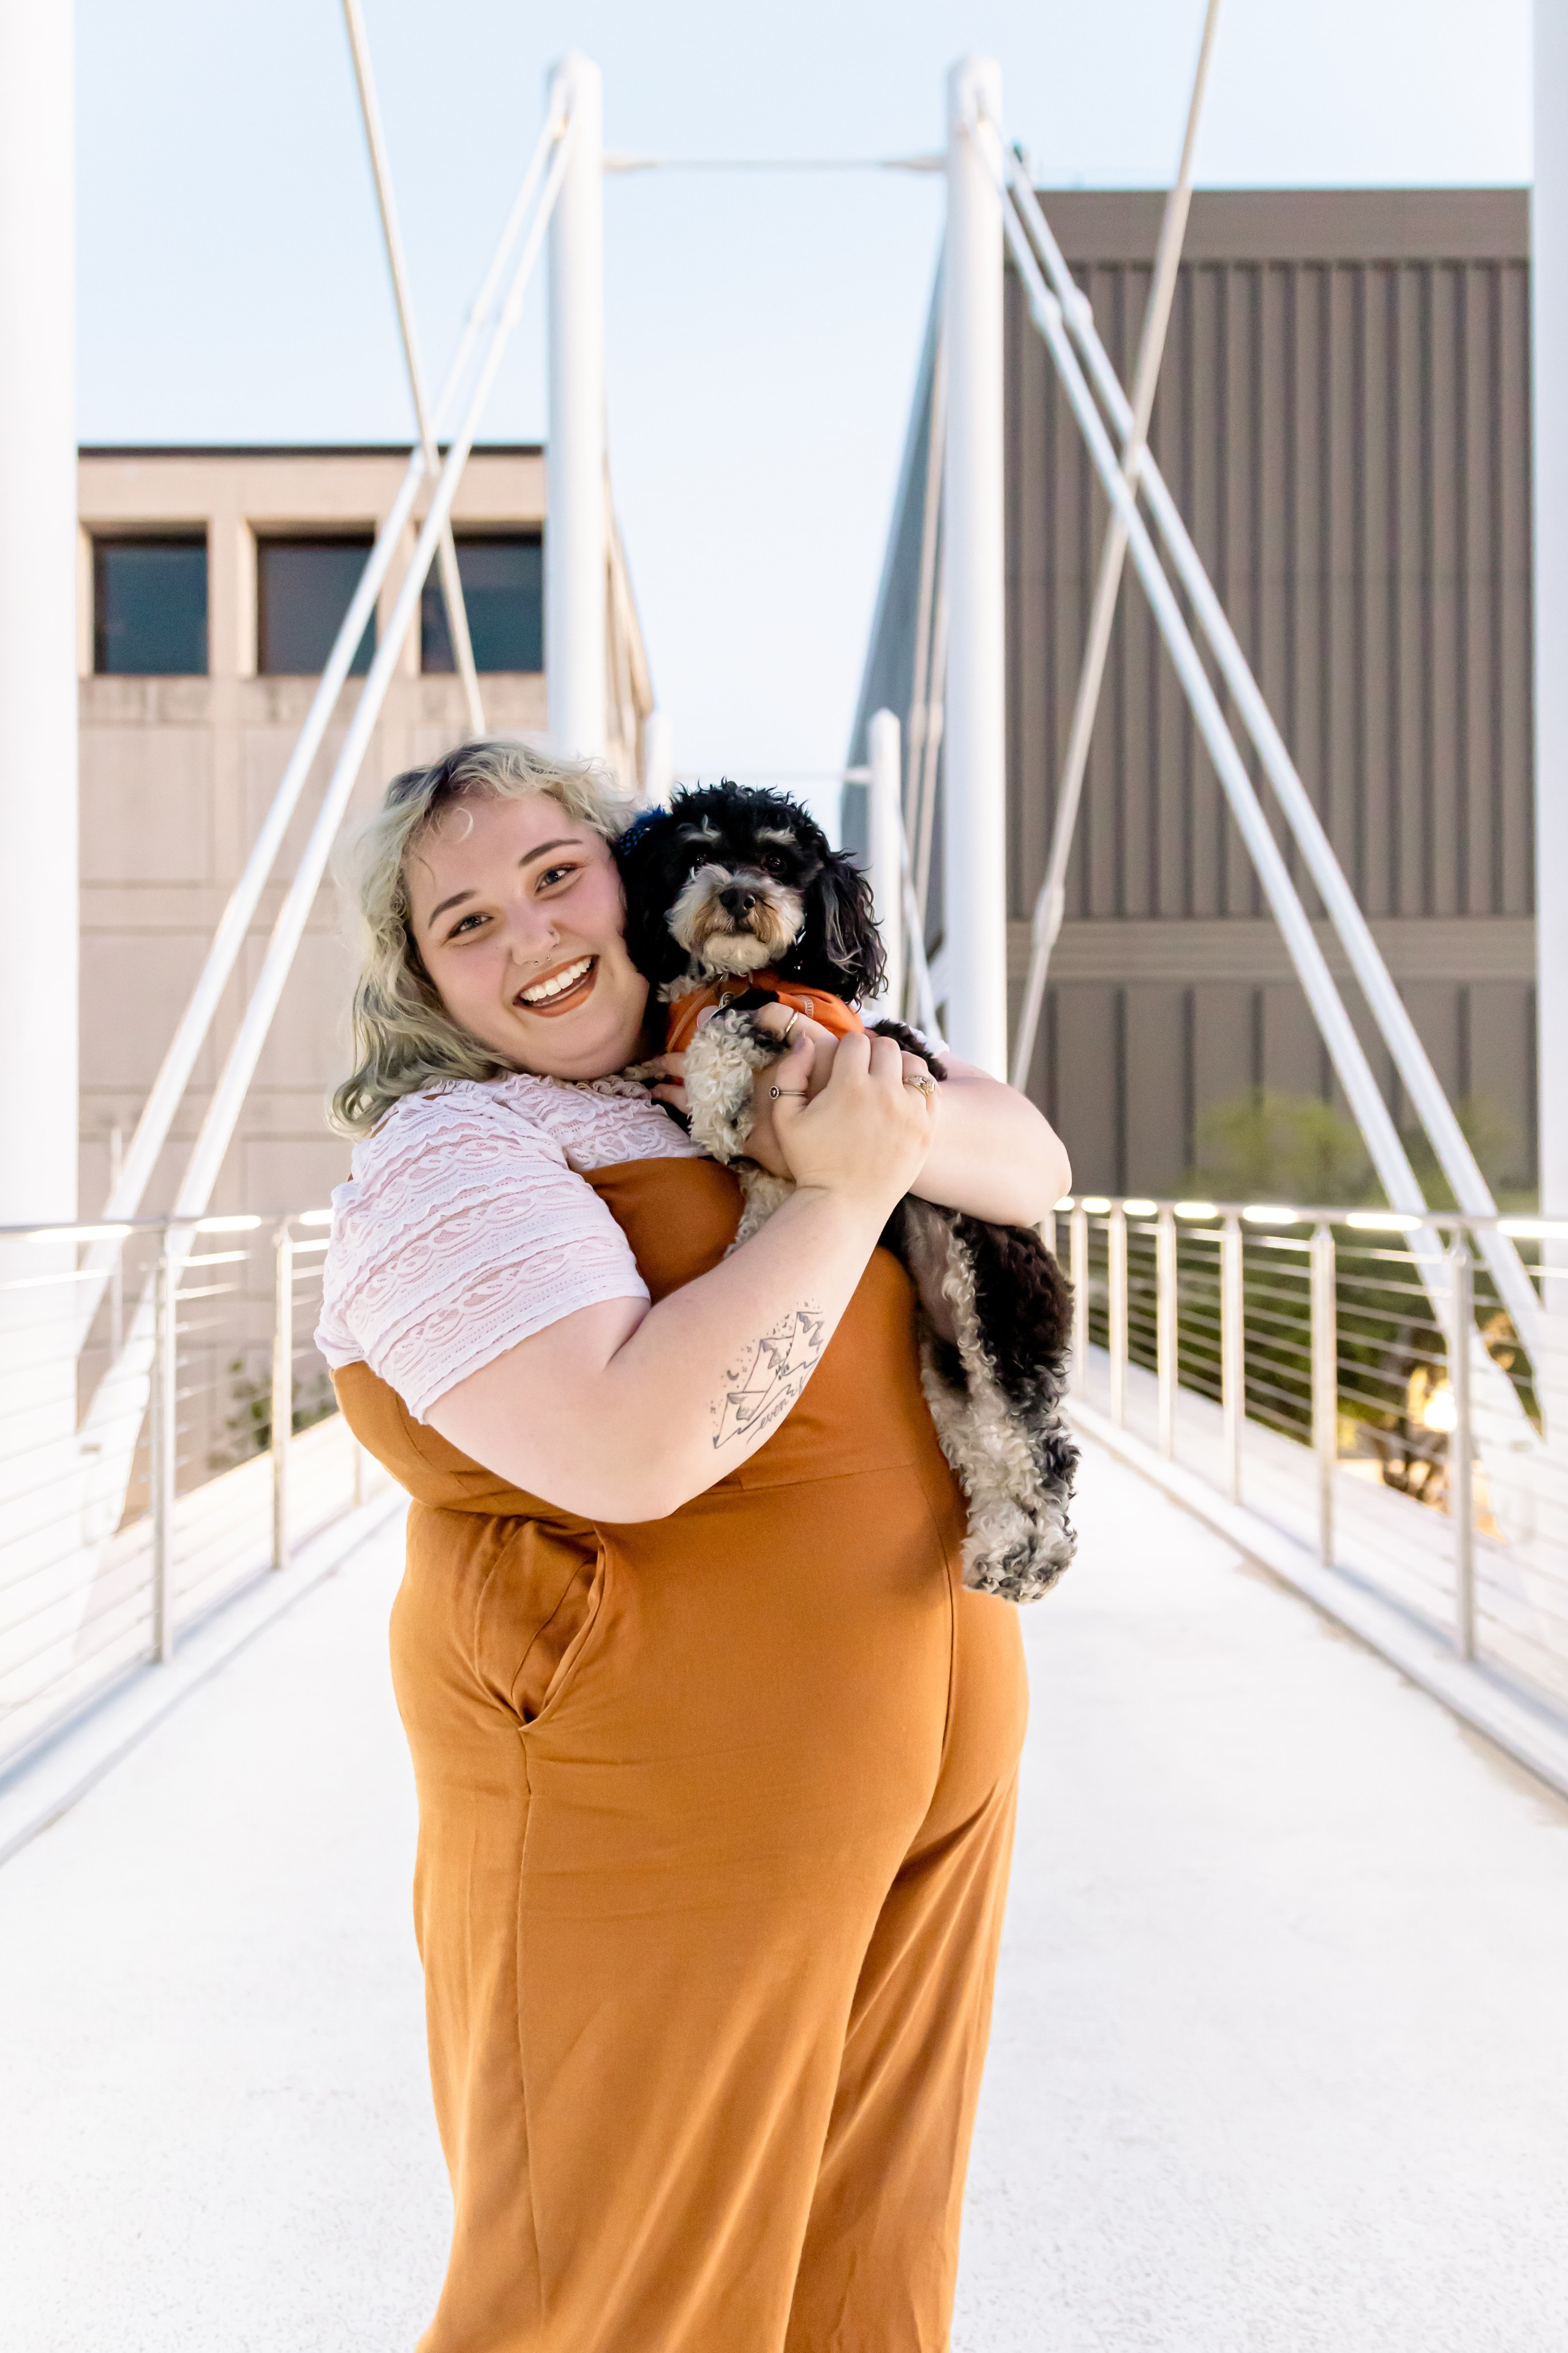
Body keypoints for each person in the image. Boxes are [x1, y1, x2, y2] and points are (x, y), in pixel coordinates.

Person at [315, 737, 1071, 2353]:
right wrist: (844, 1186)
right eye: (466, 923)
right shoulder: (458, 1153)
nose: (531, 935)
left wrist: (857, 1121)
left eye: (555, 876)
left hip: (919, 1758)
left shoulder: (760, 1038)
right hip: (654, 1814)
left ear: (632, 874)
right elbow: (633, 1446)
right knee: (614, 2292)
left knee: (864, 2276)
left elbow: (1030, 1162)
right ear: (423, 983)